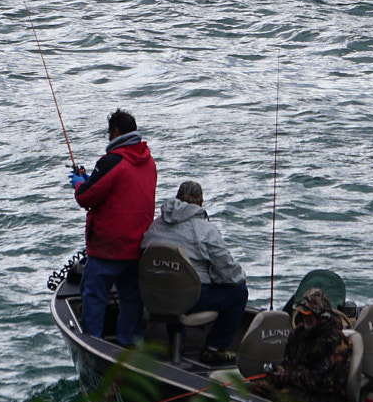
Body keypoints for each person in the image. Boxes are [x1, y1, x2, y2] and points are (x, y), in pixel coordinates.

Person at [71, 109, 157, 347]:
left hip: (107, 249)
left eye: (109, 134)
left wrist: (80, 184)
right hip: (136, 246)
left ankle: (93, 346)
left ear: (116, 132)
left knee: (94, 296)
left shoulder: (111, 161)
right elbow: (120, 190)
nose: (109, 139)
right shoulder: (149, 162)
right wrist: (91, 180)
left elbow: (86, 197)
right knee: (130, 297)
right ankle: (129, 344)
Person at [141, 180, 249, 365]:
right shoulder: (205, 230)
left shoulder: (156, 225)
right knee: (238, 292)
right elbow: (231, 274)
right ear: (201, 202)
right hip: (187, 300)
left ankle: (177, 343)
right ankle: (214, 348)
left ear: (177, 199)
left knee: (171, 280)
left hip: (153, 297)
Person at [252, 287, 354, 402]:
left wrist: (286, 376)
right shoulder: (298, 334)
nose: (306, 318)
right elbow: (288, 364)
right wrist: (277, 373)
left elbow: (323, 383)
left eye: (310, 314)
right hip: (298, 386)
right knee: (255, 389)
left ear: (322, 315)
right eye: (303, 314)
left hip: (326, 395)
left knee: (277, 398)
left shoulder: (336, 340)